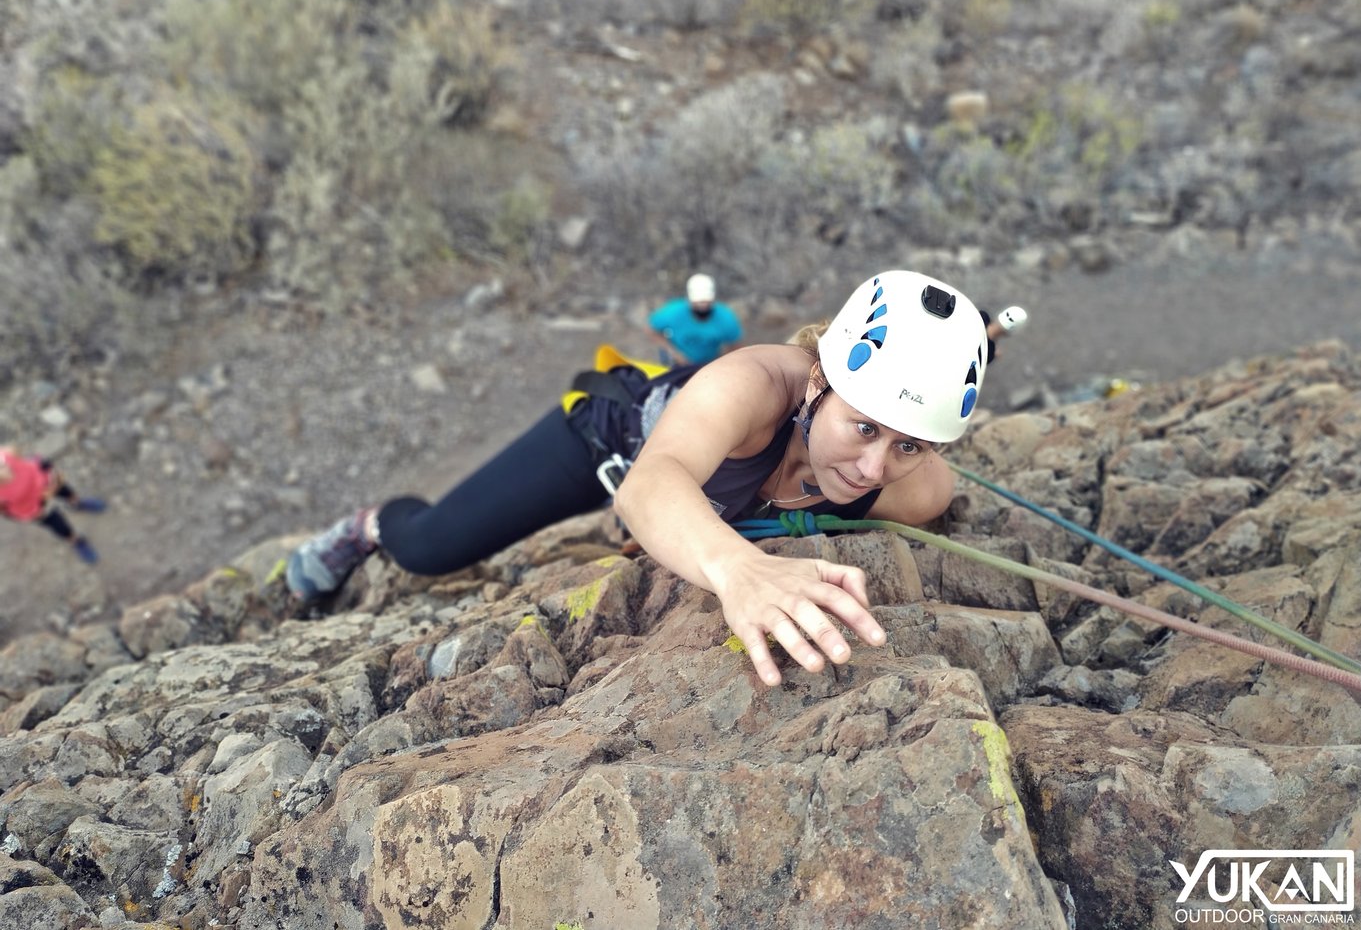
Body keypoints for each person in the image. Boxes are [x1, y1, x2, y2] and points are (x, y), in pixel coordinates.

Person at [288, 270, 1002, 685]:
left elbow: (896, 487)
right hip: (609, 438)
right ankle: (369, 525)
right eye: (865, 426)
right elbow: (648, 486)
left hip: (704, 489)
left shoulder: (918, 490)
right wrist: (740, 570)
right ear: (819, 378)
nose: (874, 467)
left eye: (910, 445)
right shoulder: (749, 385)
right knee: (429, 548)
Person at [0, 447, 106, 564]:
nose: (6, 468)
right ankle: (75, 540)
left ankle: (77, 504)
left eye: (2, 464)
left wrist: (51, 471)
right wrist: (31, 515)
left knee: (67, 492)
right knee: (58, 525)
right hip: (33, 508)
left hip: (46, 482)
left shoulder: (7, 454)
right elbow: (6, 511)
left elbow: (34, 460)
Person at [647, 273, 743, 365]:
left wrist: (721, 362)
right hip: (678, 361)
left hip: (709, 363)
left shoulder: (725, 317)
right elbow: (652, 329)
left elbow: (735, 344)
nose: (702, 307)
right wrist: (674, 353)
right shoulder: (673, 312)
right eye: (698, 303)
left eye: (706, 302)